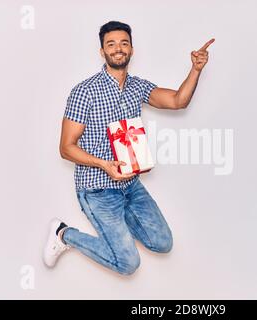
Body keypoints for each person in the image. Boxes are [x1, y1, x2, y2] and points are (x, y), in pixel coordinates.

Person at [43, 20, 214, 275]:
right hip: (97, 188)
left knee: (162, 243)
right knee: (128, 263)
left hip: (130, 183)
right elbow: (66, 148)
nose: (118, 49)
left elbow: (178, 101)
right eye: (111, 44)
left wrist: (196, 69)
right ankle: (64, 234)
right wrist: (104, 164)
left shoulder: (137, 87)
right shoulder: (84, 92)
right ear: (102, 51)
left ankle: (117, 235)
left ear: (132, 49)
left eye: (124, 43)